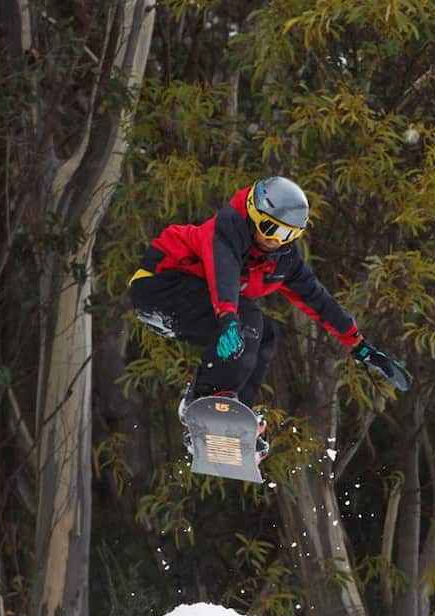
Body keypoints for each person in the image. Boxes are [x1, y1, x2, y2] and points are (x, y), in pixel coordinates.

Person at [129, 176, 410, 461]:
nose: (274, 239)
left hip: (195, 303)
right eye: (269, 228)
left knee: (265, 334)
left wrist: (359, 345)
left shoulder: (282, 259)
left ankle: (235, 421)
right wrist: (227, 317)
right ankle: (203, 404)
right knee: (248, 317)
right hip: (160, 284)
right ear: (253, 212)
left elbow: (318, 299)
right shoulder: (228, 227)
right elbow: (222, 270)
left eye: (287, 235)